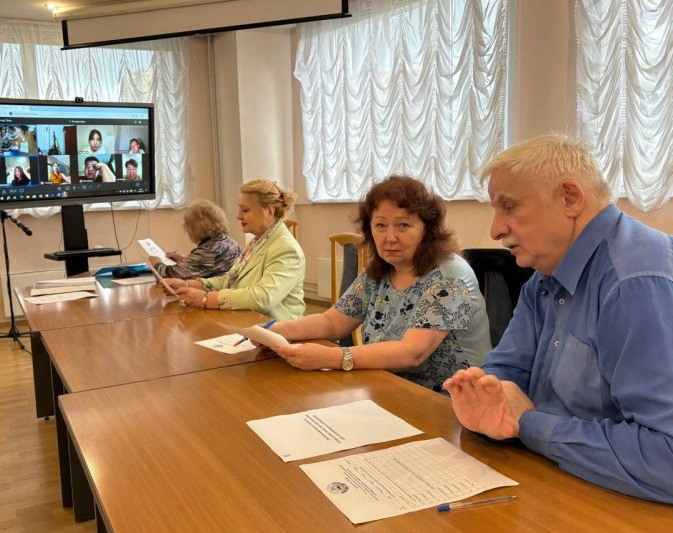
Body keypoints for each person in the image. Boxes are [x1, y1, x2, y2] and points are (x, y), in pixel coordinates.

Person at [443, 134, 673, 503]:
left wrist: (528, 423)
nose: (495, 230)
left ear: (569, 198)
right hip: (554, 480)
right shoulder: (544, 276)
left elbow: (665, 458)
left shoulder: (634, 282)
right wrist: (487, 396)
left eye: (508, 207)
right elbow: (507, 368)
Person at [264, 176, 490, 392]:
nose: (390, 237)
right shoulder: (380, 270)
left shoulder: (450, 277)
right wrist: (275, 331)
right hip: (387, 385)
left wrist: (333, 357)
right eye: (380, 225)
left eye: (403, 225)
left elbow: (413, 353)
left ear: (427, 230)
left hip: (449, 400)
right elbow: (332, 322)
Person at [166, 179, 305, 321]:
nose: (238, 216)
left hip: (274, 330)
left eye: (245, 210)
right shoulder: (257, 241)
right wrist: (188, 284)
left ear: (269, 211)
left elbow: (263, 298)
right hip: (248, 323)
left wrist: (205, 299)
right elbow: (230, 279)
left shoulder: (286, 249)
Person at [150, 200, 242, 279]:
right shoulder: (231, 243)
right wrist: (184, 259)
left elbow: (170, 276)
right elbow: (207, 266)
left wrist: (156, 263)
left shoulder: (208, 251)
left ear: (195, 227)